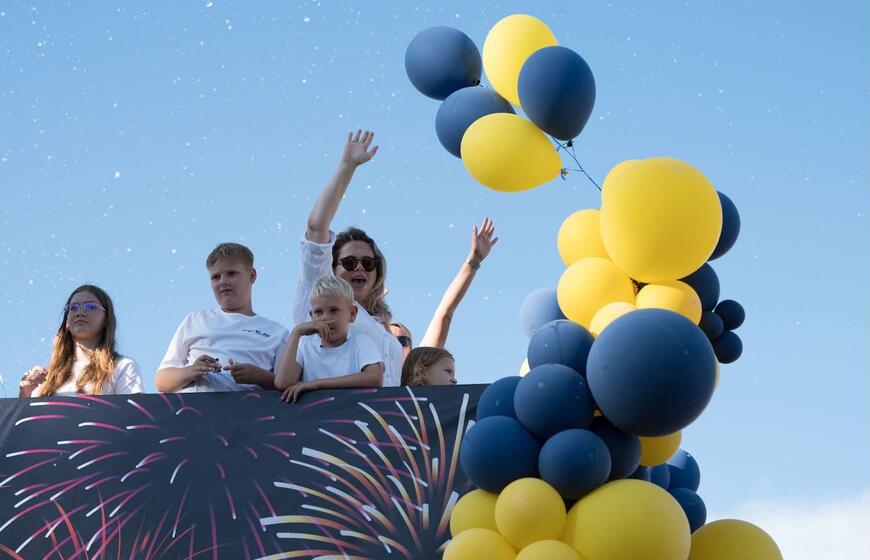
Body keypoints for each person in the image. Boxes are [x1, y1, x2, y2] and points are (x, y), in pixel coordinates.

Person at [295, 129, 404, 386]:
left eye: (368, 263)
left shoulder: (378, 324)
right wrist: (348, 166)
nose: (360, 269)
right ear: (331, 268)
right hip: (332, 409)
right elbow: (316, 227)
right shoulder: (317, 292)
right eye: (349, 262)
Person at [156, 243, 289, 392]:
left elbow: (288, 387)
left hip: (248, 406)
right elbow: (162, 381)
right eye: (215, 277)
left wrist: (259, 376)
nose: (223, 281)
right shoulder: (195, 320)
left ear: (252, 276)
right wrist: (191, 371)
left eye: (231, 273)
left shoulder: (277, 333)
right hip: (193, 406)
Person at [18, 284, 143, 397]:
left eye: (91, 307)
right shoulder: (45, 377)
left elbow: (134, 411)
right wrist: (25, 393)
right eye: (73, 308)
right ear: (67, 322)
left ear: (106, 319)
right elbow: (29, 414)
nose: (80, 313)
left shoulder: (121, 366)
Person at [276, 276, 383, 402]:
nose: (325, 318)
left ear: (352, 313)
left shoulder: (360, 343)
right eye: (318, 312)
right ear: (311, 316)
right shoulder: (305, 349)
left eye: (333, 310)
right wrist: (296, 332)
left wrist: (316, 384)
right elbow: (282, 383)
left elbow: (375, 378)